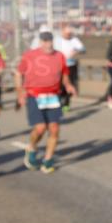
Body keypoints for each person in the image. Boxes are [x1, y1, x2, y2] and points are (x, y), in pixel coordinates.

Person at [16, 30, 76, 174]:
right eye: (44, 41)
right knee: (41, 128)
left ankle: (47, 161)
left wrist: (68, 85)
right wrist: (20, 92)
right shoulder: (30, 56)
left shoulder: (59, 56)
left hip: (53, 96)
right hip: (34, 95)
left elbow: (65, 74)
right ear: (40, 42)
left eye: (49, 41)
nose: (47, 44)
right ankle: (31, 147)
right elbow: (19, 73)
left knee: (54, 128)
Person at [57, 25, 85, 112]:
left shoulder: (74, 40)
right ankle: (60, 100)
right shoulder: (57, 41)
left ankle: (66, 103)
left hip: (71, 65)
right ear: (62, 32)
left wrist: (76, 51)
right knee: (61, 85)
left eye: (70, 33)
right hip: (59, 66)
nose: (68, 35)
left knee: (71, 85)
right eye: (66, 33)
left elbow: (83, 49)